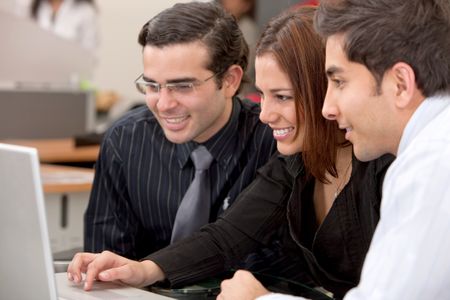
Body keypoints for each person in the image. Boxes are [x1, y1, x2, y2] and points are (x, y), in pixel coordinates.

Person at [68, 6, 394, 298]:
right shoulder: (295, 162)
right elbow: (226, 237)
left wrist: (264, 299)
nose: (265, 114)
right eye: (263, 96)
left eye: (281, 97)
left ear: (326, 90)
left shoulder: (385, 165)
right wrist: (143, 270)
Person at [221, 0, 450, 299]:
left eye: (340, 81)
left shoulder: (433, 165)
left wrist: (257, 299)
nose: (327, 108)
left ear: (401, 84)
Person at [84, 1, 276, 260]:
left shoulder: (272, 141)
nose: (164, 104)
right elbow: (105, 263)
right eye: (152, 85)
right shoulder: (125, 142)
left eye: (183, 86)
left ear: (230, 80)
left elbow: (285, 268)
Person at [29, 0, 98, 51]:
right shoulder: (36, 6)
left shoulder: (85, 10)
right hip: (37, 66)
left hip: (71, 68)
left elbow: (89, 51)